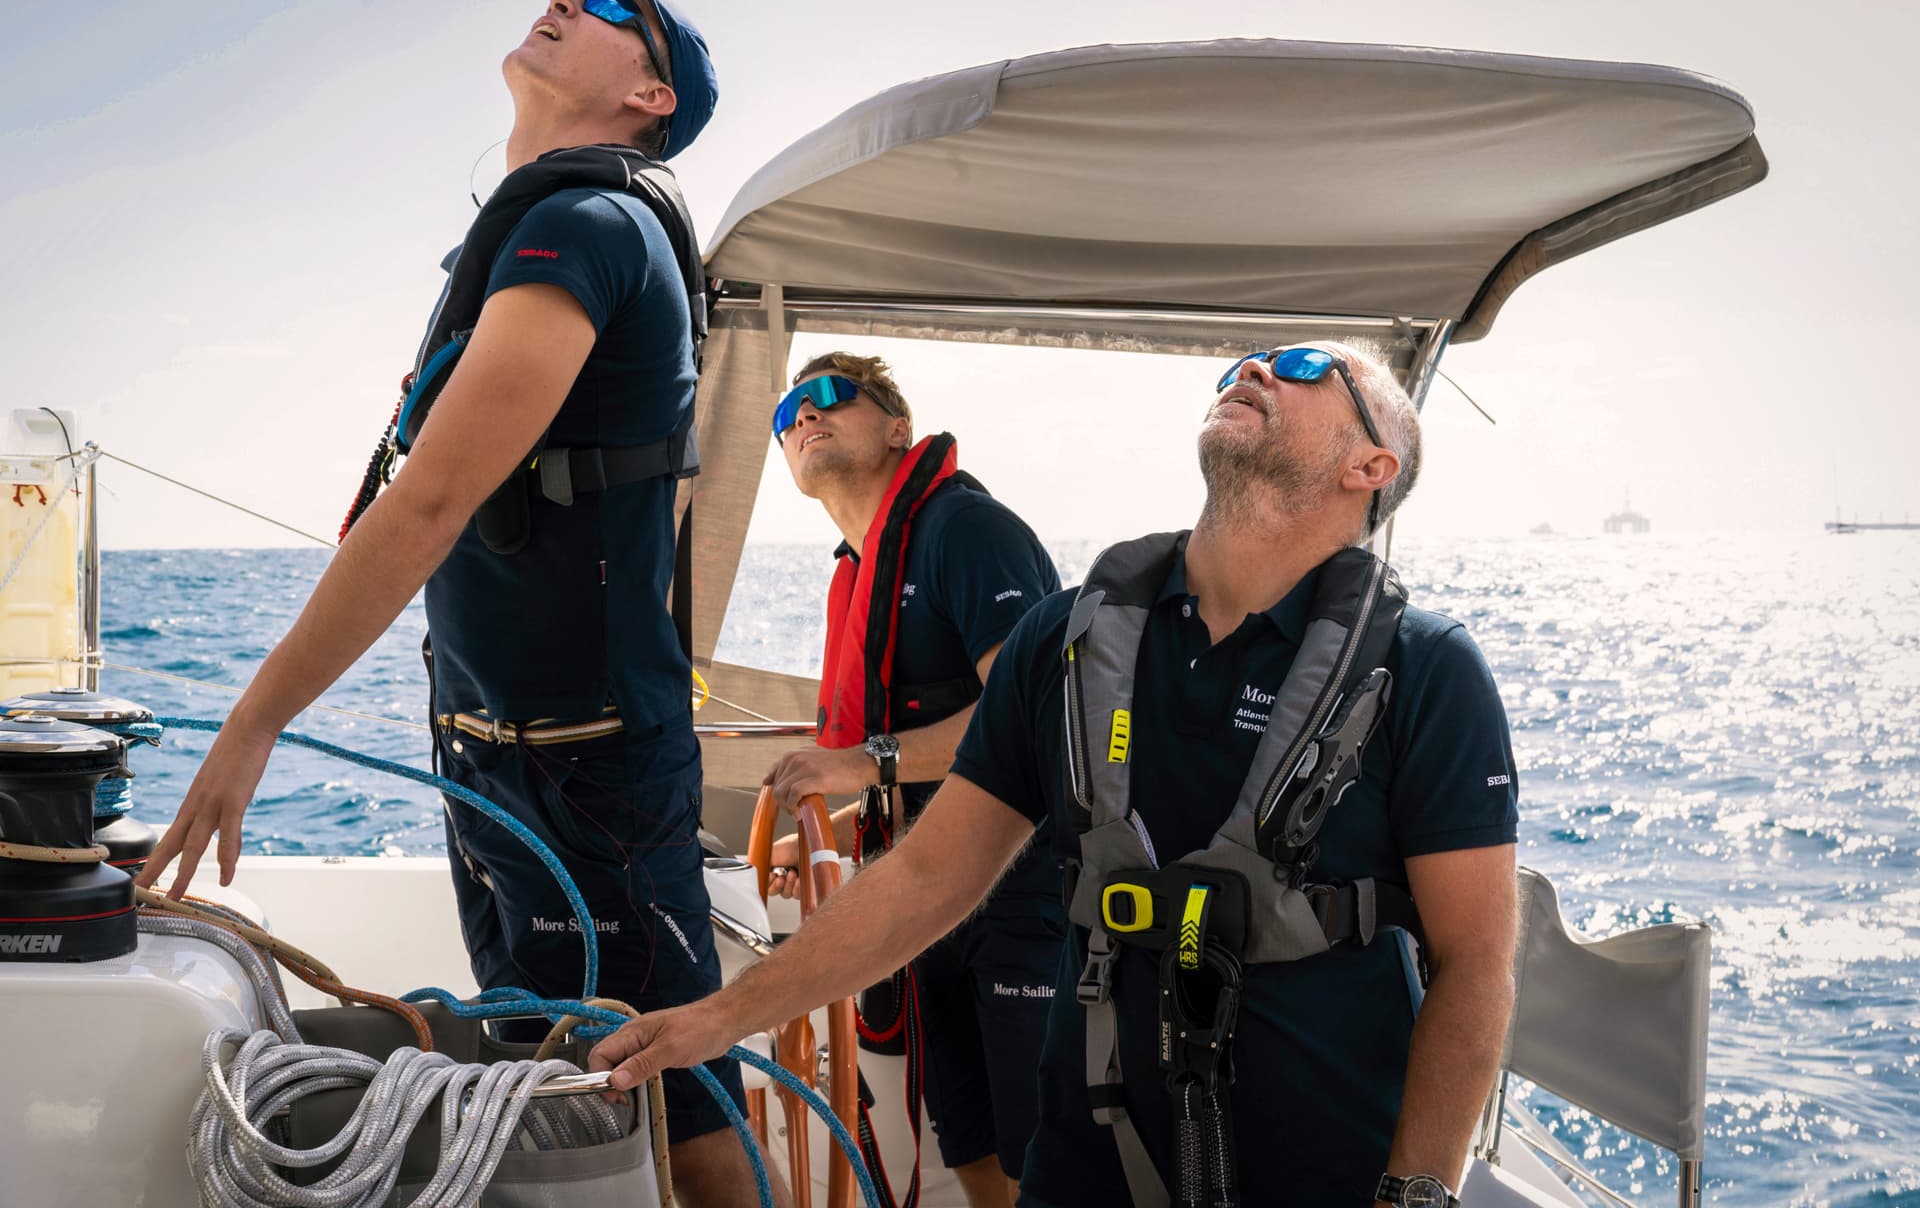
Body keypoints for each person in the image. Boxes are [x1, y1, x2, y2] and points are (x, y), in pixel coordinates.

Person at [591, 341, 1521, 1208]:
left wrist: (1417, 1194)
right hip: (1088, 1168)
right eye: (1249, 359)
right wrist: (719, 1018)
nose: (1258, 368)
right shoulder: (1067, 642)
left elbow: (1474, 962)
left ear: (1372, 467)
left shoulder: (1427, 672)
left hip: (1324, 1171)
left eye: (1306, 368)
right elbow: (927, 875)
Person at [137, 0, 770, 1202]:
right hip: (494, 754)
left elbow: (430, 498)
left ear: (651, 97)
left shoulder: (590, 225)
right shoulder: (550, 225)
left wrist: (253, 723)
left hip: (584, 765)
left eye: (605, 7)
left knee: (673, 1099)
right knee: (554, 1081)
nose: (562, 3)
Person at [758, 352, 1066, 1207]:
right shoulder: (863, 569)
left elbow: (1028, 718)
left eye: (829, 397)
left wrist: (862, 762)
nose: (804, 415)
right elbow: (923, 748)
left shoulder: (966, 531)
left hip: (1024, 885)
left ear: (898, 427)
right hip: (929, 888)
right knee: (964, 1130)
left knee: (1040, 1147)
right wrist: (832, 827)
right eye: (787, 415)